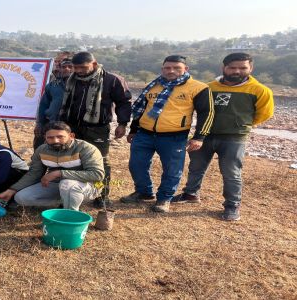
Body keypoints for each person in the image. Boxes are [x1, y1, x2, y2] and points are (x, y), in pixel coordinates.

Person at [172, 53, 274, 221]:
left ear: (251, 68)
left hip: (234, 138)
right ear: (223, 68)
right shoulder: (208, 87)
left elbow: (264, 114)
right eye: (232, 67)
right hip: (205, 135)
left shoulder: (260, 90)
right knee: (196, 166)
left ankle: (232, 205)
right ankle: (190, 194)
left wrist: (240, 124)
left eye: (242, 68)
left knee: (231, 172)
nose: (237, 71)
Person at [121, 55, 214, 213]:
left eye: (176, 68)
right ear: (162, 69)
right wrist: (134, 129)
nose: (171, 71)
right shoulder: (154, 85)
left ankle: (164, 199)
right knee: (136, 165)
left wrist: (199, 137)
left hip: (174, 136)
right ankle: (144, 192)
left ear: (186, 69)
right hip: (144, 134)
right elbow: (143, 109)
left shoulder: (198, 88)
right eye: (167, 68)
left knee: (172, 169)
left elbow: (207, 113)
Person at [58, 51, 132, 208]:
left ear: (95, 64)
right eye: (75, 67)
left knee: (101, 161)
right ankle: (70, 193)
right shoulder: (71, 79)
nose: (78, 71)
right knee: (71, 159)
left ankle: (102, 195)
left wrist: (122, 123)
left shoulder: (112, 80)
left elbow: (124, 102)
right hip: (72, 127)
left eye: (82, 67)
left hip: (98, 128)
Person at [0, 121, 104, 211]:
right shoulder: (42, 150)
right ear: (45, 137)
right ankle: (63, 202)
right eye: (50, 138)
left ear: (71, 136)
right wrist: (12, 190)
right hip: (58, 185)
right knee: (21, 197)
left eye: (60, 137)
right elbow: (34, 173)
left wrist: (59, 173)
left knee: (67, 184)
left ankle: (70, 216)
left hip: (88, 186)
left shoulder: (86, 148)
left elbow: (97, 175)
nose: (55, 140)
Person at [33, 58, 74, 149]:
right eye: (64, 67)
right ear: (60, 69)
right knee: (41, 148)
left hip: (72, 124)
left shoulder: (82, 85)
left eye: (70, 66)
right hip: (51, 122)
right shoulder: (52, 85)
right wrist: (39, 123)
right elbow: (43, 105)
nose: (67, 69)